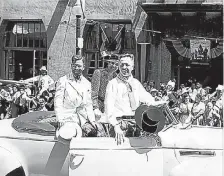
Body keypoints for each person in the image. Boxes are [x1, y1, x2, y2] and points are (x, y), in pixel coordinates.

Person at [104, 54, 166, 145]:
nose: (124, 67)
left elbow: (147, 98)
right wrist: (115, 126)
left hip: (135, 123)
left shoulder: (136, 83)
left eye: (127, 65)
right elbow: (108, 108)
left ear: (132, 67)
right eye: (122, 65)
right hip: (120, 124)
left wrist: (160, 102)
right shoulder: (113, 84)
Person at [54, 55, 104, 138]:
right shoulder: (63, 81)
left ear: (83, 67)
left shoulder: (87, 83)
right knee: (71, 135)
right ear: (71, 66)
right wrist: (60, 119)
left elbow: (88, 104)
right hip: (68, 117)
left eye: (79, 66)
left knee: (97, 131)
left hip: (82, 118)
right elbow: (58, 101)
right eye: (74, 66)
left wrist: (92, 120)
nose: (76, 68)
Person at [91, 54, 119, 119]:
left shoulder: (116, 77)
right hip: (99, 105)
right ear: (108, 63)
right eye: (112, 63)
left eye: (117, 64)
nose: (114, 66)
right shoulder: (98, 73)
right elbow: (94, 92)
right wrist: (95, 108)